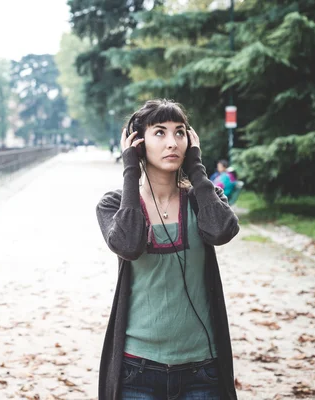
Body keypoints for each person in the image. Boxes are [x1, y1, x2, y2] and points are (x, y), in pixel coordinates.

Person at [95, 99, 240, 400]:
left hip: (202, 369)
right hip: (137, 371)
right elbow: (128, 245)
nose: (172, 142)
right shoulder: (114, 205)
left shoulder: (203, 199)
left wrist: (197, 170)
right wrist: (131, 172)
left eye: (180, 132)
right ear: (137, 143)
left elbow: (222, 230)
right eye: (159, 132)